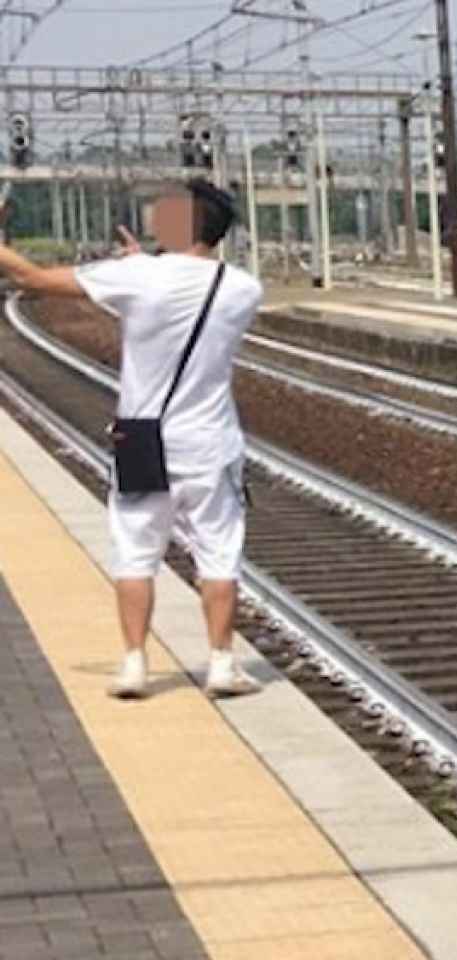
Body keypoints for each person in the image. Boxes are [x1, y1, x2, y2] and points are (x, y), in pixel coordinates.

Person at [0, 178, 265, 699]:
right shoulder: (243, 288)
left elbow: (32, 278)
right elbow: (179, 303)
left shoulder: (136, 277)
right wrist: (142, 266)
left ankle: (134, 664)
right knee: (218, 554)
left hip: (142, 440)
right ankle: (220, 663)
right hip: (211, 444)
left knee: (135, 551)